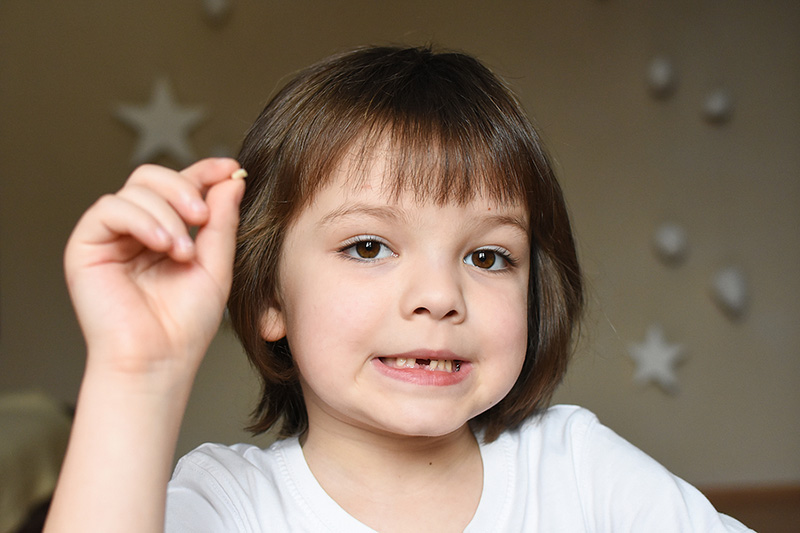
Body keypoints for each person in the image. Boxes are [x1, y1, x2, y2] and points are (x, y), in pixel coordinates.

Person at [45, 46, 752, 532]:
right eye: (368, 245)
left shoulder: (575, 467)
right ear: (269, 296)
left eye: (487, 254)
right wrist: (138, 369)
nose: (439, 295)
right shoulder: (232, 503)